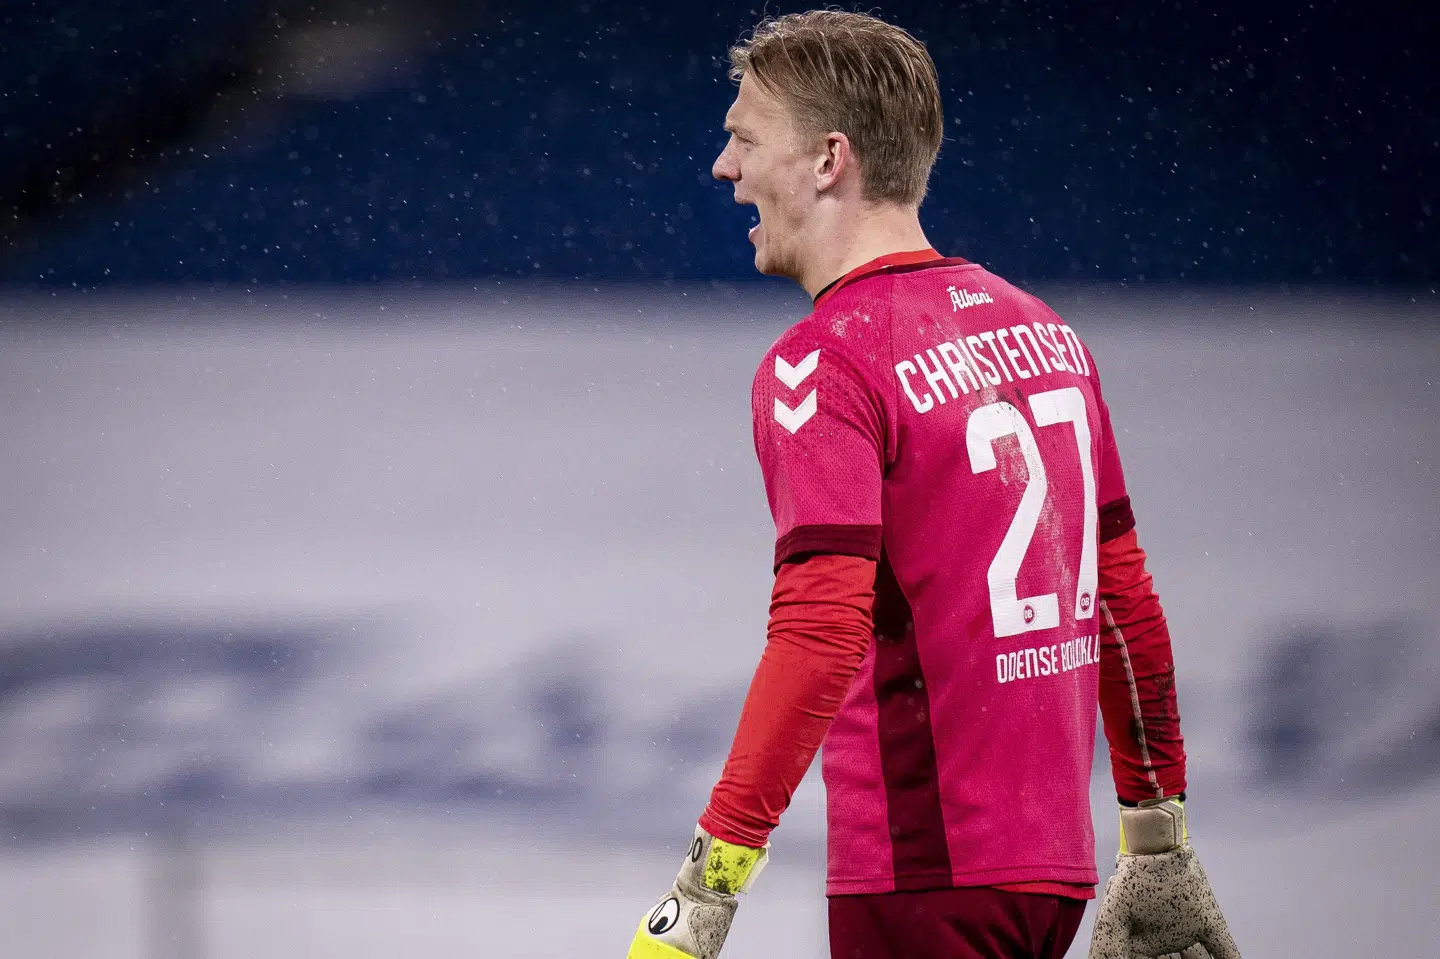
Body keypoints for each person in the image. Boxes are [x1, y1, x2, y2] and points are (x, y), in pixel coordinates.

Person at [627, 11, 1238, 959]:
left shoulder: (823, 364)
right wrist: (1155, 841)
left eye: (744, 139)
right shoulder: (1046, 334)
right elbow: (1123, 604)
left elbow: (819, 633)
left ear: (829, 159)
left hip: (921, 878)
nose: (724, 168)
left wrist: (710, 882)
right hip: (1053, 879)